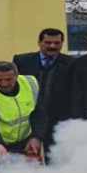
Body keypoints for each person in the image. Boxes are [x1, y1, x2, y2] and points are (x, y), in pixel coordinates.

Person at [0, 61, 47, 170]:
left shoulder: (30, 83)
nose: (4, 84)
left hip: (22, 141)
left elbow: (39, 113)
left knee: (27, 172)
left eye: (9, 79)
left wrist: (36, 136)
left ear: (16, 75)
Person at [12, 28, 73, 158]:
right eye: (48, 42)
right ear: (39, 42)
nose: (52, 46)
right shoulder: (22, 61)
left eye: (57, 43)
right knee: (28, 160)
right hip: (29, 119)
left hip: (58, 120)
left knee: (56, 160)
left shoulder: (71, 63)